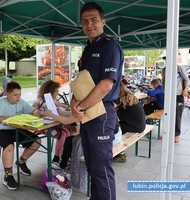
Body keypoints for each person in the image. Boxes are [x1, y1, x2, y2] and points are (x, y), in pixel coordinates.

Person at [70, 2, 124, 199]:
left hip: (101, 114)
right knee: (92, 167)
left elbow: (106, 85)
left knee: (101, 170)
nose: (89, 24)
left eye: (93, 19)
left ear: (103, 21)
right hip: (87, 114)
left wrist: (80, 106)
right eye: (84, 21)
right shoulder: (87, 50)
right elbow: (82, 82)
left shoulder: (111, 47)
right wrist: (74, 103)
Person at [0, 81, 41, 190]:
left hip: (16, 129)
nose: (18, 97)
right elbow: (0, 119)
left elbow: (33, 111)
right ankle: (8, 176)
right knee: (9, 147)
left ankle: (21, 162)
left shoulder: (21, 102)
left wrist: (39, 112)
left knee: (36, 142)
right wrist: (16, 119)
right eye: (15, 95)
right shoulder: (1, 102)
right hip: (0, 130)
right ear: (7, 94)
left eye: (19, 95)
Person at [32, 80, 71, 164]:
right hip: (43, 127)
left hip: (52, 125)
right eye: (56, 91)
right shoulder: (39, 102)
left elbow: (57, 103)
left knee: (67, 133)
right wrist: (41, 112)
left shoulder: (51, 101)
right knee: (62, 134)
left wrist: (64, 106)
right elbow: (34, 114)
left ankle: (63, 154)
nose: (57, 93)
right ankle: (56, 157)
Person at [114, 82, 146, 162]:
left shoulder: (120, 99)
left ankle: (119, 154)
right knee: (115, 128)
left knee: (113, 130)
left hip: (134, 126)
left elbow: (109, 109)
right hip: (140, 125)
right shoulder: (129, 96)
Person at [162, 56, 190, 143]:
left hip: (178, 95)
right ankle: (167, 132)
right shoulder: (164, 69)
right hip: (168, 95)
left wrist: (186, 89)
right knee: (167, 114)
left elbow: (187, 80)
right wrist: (164, 91)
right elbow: (163, 81)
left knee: (177, 115)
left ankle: (176, 134)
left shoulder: (179, 68)